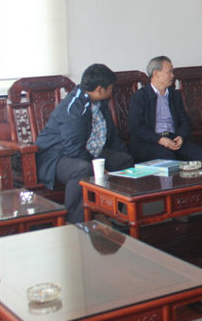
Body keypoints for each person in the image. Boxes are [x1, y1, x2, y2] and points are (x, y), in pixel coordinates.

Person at [34, 64, 134, 223]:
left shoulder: (101, 102)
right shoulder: (74, 108)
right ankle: (76, 222)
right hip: (56, 156)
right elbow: (73, 149)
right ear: (99, 89)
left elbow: (112, 135)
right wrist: (97, 168)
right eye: (110, 88)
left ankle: (112, 213)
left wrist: (128, 159)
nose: (112, 91)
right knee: (82, 169)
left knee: (124, 161)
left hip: (89, 150)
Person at [128, 56, 202, 163]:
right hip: (150, 142)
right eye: (169, 72)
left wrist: (181, 136)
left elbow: (185, 121)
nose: (172, 75)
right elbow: (136, 127)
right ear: (156, 73)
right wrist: (159, 139)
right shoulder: (140, 96)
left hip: (173, 138)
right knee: (169, 160)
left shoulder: (174, 95)